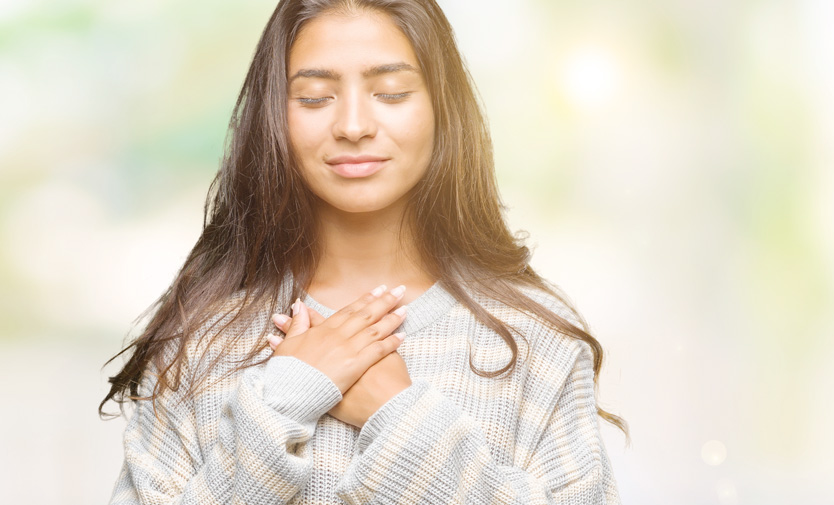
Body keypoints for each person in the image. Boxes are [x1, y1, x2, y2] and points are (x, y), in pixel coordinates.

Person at [101, 0, 625, 503]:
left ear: (444, 107)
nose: (353, 126)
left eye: (391, 93)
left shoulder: (535, 340)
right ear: (273, 116)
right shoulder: (203, 342)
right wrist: (283, 399)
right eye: (313, 97)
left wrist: (400, 416)